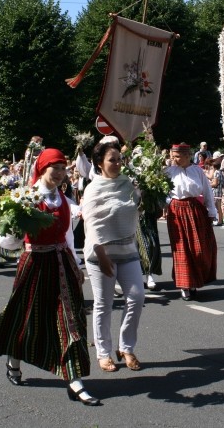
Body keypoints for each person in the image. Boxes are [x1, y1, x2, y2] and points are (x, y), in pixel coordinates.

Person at [0, 148, 98, 406]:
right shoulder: (26, 197)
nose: (60, 174)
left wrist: (76, 265)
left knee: (70, 319)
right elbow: (7, 241)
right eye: (55, 168)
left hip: (62, 263)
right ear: (42, 168)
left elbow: (68, 238)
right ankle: (14, 359)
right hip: (35, 263)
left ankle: (74, 379)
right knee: (27, 316)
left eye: (63, 168)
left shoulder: (64, 199)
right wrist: (20, 225)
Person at [83, 141, 145, 373]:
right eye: (112, 160)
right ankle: (103, 353)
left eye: (120, 159)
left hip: (127, 250)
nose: (118, 163)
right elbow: (91, 223)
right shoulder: (93, 188)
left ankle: (126, 347)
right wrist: (102, 255)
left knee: (137, 298)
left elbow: (137, 207)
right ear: (99, 163)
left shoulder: (128, 184)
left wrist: (147, 194)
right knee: (104, 305)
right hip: (101, 255)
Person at [165, 143, 218, 301]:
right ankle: (185, 285)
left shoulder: (197, 171)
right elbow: (161, 192)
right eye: (173, 156)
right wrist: (169, 202)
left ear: (188, 156)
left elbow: (207, 191)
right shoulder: (168, 172)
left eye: (178, 156)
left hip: (195, 210)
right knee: (181, 249)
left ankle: (195, 280)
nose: (175, 159)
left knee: (199, 248)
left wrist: (212, 211)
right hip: (176, 211)